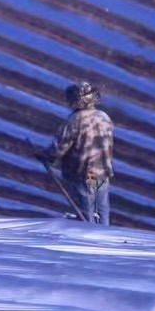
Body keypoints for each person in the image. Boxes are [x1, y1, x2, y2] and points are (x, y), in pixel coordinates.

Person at [39, 80, 114, 225]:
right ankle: (105, 235)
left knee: (87, 212)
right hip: (103, 170)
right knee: (102, 210)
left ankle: (89, 235)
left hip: (84, 172)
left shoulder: (75, 120)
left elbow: (61, 146)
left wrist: (46, 156)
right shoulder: (104, 117)